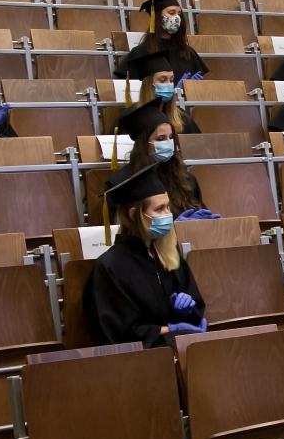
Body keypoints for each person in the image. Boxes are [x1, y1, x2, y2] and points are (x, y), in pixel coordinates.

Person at [82, 165, 206, 349]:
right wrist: (173, 331)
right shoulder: (110, 267)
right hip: (143, 361)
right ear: (134, 215)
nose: (168, 215)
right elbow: (122, 334)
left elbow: (196, 311)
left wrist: (186, 312)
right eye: (159, 209)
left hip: (180, 351)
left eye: (168, 207)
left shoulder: (168, 256)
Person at [121, 105, 215, 218]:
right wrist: (175, 226)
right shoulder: (125, 185)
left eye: (171, 137)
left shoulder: (187, 180)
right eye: (160, 139)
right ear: (143, 144)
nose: (168, 142)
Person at [119, 0, 208, 80]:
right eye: (172, 13)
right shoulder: (141, 52)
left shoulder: (187, 52)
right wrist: (176, 88)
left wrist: (191, 86)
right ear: (157, 17)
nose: (177, 18)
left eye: (179, 13)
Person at [112, 53, 200, 136]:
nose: (168, 84)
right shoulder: (130, 119)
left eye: (171, 80)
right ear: (149, 85)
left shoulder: (182, 118)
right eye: (162, 80)